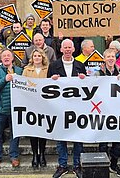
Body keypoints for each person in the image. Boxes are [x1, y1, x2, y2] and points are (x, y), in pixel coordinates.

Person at [48, 39, 87, 178]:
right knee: (61, 138)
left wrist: (85, 79)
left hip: (77, 108)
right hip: (60, 107)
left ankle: (77, 165)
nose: (68, 49)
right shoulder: (54, 65)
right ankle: (62, 165)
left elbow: (87, 88)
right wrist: (51, 79)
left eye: (70, 47)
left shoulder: (80, 65)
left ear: (74, 49)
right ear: (61, 49)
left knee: (78, 137)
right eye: (65, 47)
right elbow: (47, 86)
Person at [94, 48, 120, 177]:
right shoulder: (98, 74)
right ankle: (103, 166)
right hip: (103, 112)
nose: (111, 58)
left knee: (117, 143)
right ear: (104, 58)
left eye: (113, 56)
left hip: (118, 112)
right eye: (108, 57)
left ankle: (114, 164)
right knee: (103, 142)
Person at [0, 49, 23, 169]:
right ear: (1, 58)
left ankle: (14, 156)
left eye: (9, 55)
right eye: (4, 56)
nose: (6, 57)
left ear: (13, 58)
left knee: (15, 135)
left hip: (15, 109)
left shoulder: (20, 71)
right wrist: (5, 79)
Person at [22, 48, 49, 169]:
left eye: (39, 56)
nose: (37, 58)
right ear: (31, 58)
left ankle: (42, 154)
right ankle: (35, 154)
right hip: (31, 104)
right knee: (33, 131)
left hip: (44, 104)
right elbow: (22, 85)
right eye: (35, 56)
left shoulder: (48, 69)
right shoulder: (26, 70)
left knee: (42, 130)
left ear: (43, 57)